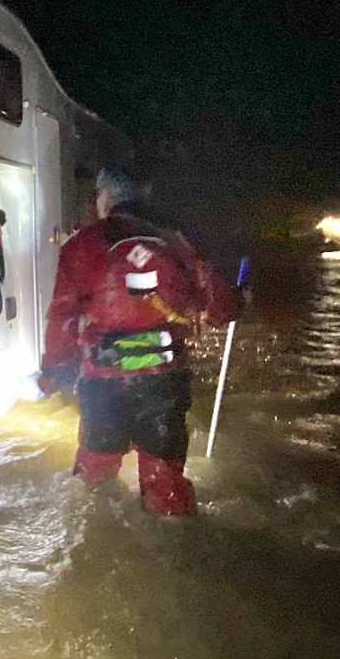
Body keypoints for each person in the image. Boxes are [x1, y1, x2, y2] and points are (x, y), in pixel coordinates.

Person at [39, 162, 238, 516]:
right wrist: (239, 299)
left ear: (105, 199)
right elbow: (218, 306)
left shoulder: (81, 246)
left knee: (92, 482)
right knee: (166, 490)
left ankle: (93, 548)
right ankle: (173, 551)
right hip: (163, 384)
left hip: (103, 384)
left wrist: (53, 369)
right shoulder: (176, 242)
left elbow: (62, 318)